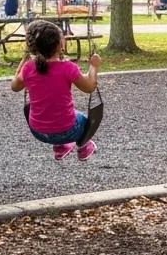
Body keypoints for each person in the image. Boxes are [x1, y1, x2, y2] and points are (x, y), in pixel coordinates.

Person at [10, 19, 101, 163]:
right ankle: (84, 147)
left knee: (56, 113)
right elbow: (89, 87)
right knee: (82, 119)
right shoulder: (68, 68)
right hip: (68, 131)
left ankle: (61, 147)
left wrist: (22, 63)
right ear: (59, 44)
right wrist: (94, 67)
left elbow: (15, 87)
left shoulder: (28, 68)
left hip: (38, 131)